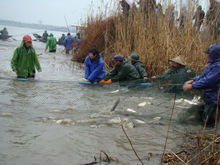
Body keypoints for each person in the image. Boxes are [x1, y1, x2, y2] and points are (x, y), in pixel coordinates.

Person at [183, 43, 220, 127]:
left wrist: (192, 85)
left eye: (208, 54)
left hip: (215, 99)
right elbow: (204, 75)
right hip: (209, 97)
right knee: (203, 118)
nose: (206, 56)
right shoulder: (213, 64)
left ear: (213, 55)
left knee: (209, 123)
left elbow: (209, 81)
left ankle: (208, 137)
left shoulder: (218, 66)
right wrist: (193, 80)